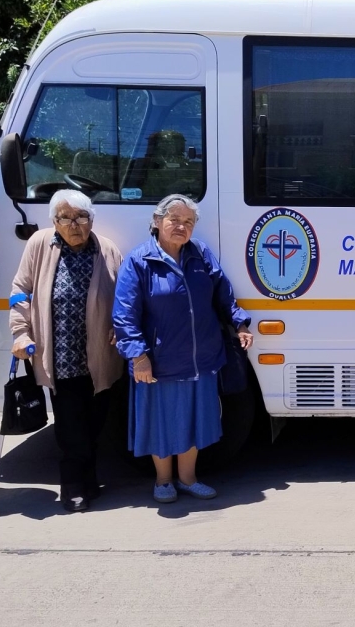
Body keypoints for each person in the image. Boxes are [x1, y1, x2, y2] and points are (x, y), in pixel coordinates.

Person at [113, 194, 253, 503]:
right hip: (159, 362)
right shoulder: (139, 260)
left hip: (200, 359)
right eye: (174, 219)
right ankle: (163, 481)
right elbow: (124, 314)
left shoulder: (200, 253)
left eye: (188, 222)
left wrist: (240, 323)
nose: (181, 226)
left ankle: (188, 479)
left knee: (194, 421)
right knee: (161, 424)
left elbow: (223, 292)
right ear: (157, 221)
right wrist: (138, 356)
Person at [9, 190, 125, 513]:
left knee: (95, 422)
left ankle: (88, 480)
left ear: (92, 219)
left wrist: (122, 327)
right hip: (60, 358)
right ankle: (72, 485)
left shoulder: (108, 250)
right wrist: (20, 333)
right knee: (69, 425)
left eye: (81, 217)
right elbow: (20, 291)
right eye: (65, 218)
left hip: (100, 356)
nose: (74, 225)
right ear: (54, 221)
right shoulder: (39, 245)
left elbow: (124, 296)